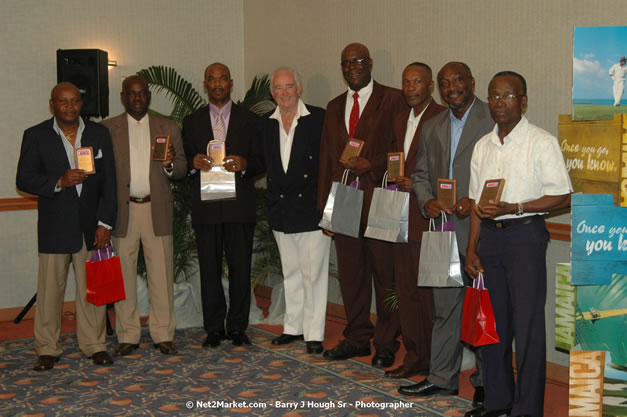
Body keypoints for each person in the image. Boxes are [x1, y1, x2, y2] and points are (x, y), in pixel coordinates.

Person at [464, 71, 572, 417]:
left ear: (523, 101)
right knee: (492, 324)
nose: (499, 103)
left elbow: (562, 197)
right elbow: (477, 204)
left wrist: (518, 207)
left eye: (508, 96)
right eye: (494, 96)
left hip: (525, 236)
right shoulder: (483, 145)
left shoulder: (541, 142)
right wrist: (471, 248)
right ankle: (497, 402)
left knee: (526, 327)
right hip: (490, 241)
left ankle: (527, 409)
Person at [401, 62, 492, 407]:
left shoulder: (493, 117)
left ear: (472, 81)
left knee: (482, 307)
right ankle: (442, 379)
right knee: (445, 309)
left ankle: (487, 382)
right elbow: (420, 175)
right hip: (443, 230)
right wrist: (427, 202)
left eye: (457, 80)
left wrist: (479, 201)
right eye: (444, 83)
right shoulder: (432, 125)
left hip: (482, 231)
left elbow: (505, 174)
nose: (451, 87)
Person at [16, 82, 117, 370]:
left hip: (91, 228)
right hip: (54, 228)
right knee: (50, 292)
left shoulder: (99, 134)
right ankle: (47, 348)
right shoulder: (35, 136)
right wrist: (59, 181)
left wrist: (105, 223)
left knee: (93, 292)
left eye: (74, 101)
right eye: (63, 101)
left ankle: (95, 344)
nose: (70, 106)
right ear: (52, 104)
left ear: (80, 104)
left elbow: (110, 184)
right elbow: (24, 179)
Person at [317, 42, 406, 368]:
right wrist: (324, 210)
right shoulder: (333, 105)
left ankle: (386, 341)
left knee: (385, 274)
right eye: (345, 63)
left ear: (369, 63)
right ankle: (356, 337)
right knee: (351, 274)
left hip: (380, 197)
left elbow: (403, 149)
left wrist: (375, 164)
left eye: (358, 61)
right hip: (343, 199)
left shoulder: (394, 98)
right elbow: (328, 158)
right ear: (341, 68)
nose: (352, 67)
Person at [101, 75, 187, 356]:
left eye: (142, 94)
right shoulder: (107, 129)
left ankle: (163, 332)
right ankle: (128, 334)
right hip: (123, 212)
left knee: (161, 274)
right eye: (131, 94)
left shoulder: (168, 127)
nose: (137, 98)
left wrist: (170, 163)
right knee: (123, 276)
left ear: (149, 97)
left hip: (156, 210)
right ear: (123, 96)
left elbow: (183, 169)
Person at [182, 63, 263, 348]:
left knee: (241, 269)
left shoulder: (250, 120)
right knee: (209, 270)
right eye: (212, 79)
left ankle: (238, 327)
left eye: (223, 79)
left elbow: (262, 161)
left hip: (238, 206)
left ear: (231, 83)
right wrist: (192, 164)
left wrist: (245, 165)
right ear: (205, 84)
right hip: (206, 207)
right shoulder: (191, 122)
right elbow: (183, 162)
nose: (217, 84)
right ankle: (214, 328)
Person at [258, 67, 331, 354]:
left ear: (299, 88)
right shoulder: (266, 123)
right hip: (281, 209)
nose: (284, 93)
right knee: (291, 272)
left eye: (289, 87)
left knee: (313, 273)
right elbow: (258, 162)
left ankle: (314, 333)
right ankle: (294, 327)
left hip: (311, 210)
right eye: (278, 88)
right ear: (272, 93)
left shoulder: (319, 118)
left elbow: (330, 165)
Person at [385, 63, 446, 379]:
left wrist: (421, 186)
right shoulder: (398, 119)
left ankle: (438, 363)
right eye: (406, 82)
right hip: (400, 216)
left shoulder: (443, 118)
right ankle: (414, 358)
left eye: (417, 82)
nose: (410, 88)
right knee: (407, 293)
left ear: (431, 85)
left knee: (431, 296)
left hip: (429, 219)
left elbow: (450, 169)